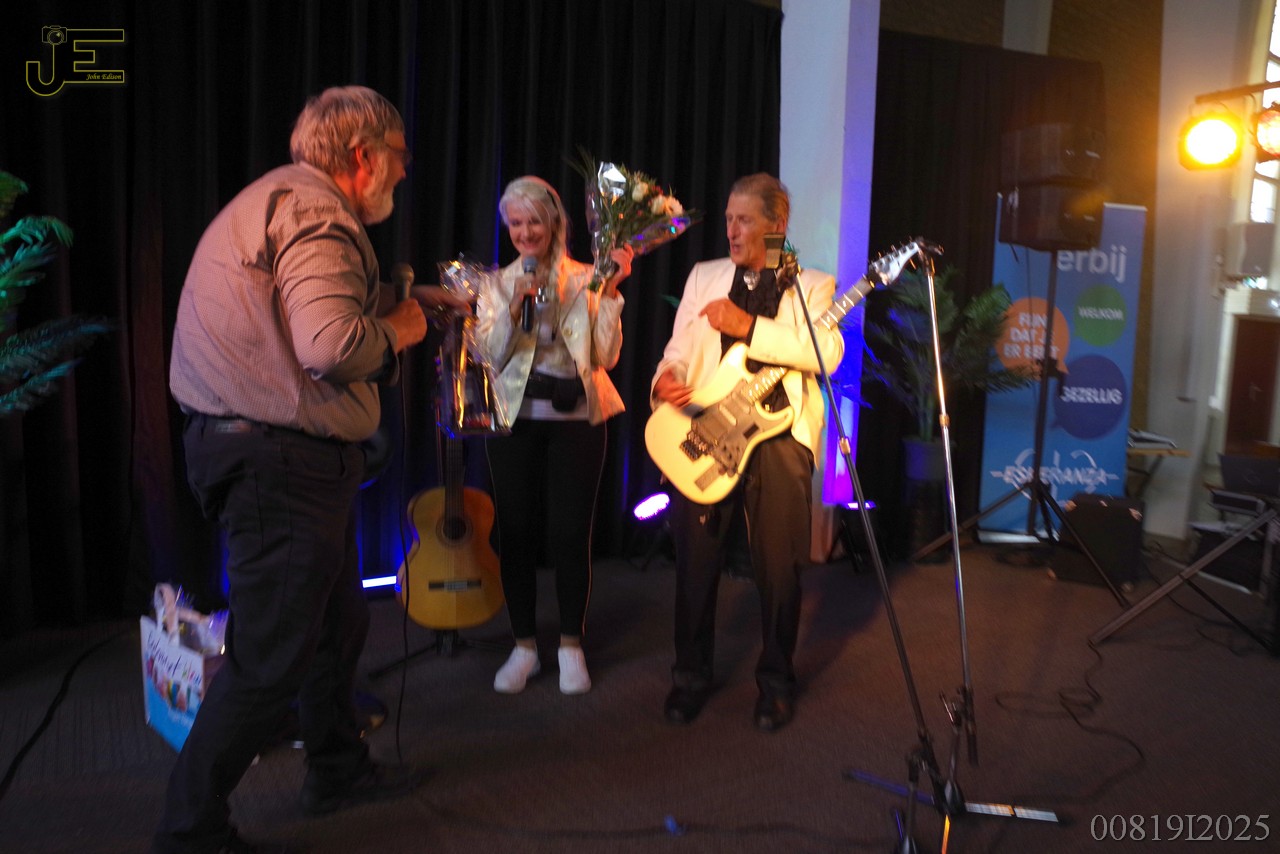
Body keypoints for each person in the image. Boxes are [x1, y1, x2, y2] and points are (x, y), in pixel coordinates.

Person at [157, 85, 468, 854]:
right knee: (270, 660)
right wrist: (403, 326)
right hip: (279, 463)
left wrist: (404, 297)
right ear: (363, 156)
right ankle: (188, 829)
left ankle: (335, 768)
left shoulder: (282, 199)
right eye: (399, 157)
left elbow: (306, 305)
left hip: (271, 455)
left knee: (336, 623)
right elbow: (330, 346)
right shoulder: (319, 213)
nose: (405, 171)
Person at [649, 173, 843, 732]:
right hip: (709, 428)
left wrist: (748, 327)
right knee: (696, 559)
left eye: (744, 220)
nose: (731, 231)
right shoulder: (704, 276)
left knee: (779, 566)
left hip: (779, 435)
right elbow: (678, 349)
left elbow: (825, 353)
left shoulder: (812, 285)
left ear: (776, 224)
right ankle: (690, 676)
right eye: (729, 219)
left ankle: (776, 682)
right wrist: (666, 378)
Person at [474, 175, 633, 696]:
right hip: (515, 421)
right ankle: (523, 647)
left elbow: (606, 356)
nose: (524, 233)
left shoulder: (587, 277)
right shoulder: (497, 284)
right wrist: (513, 305)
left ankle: (569, 645)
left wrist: (611, 292)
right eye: (515, 224)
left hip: (578, 421)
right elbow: (489, 356)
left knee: (569, 533)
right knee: (516, 532)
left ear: (555, 223)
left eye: (533, 222)